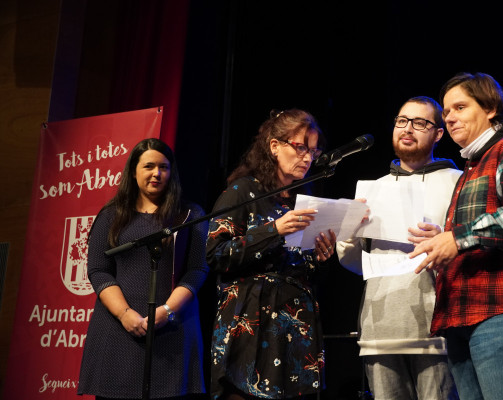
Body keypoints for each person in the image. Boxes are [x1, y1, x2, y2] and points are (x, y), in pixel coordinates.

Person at [409, 72, 503, 400]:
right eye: (447, 112)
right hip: (464, 317)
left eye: (460, 107)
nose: (450, 117)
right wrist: (444, 239)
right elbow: (484, 232)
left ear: (490, 107)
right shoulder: (472, 167)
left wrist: (459, 238)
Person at [206, 109, 337, 400]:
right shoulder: (242, 192)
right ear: (274, 145)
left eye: (313, 151)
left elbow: (306, 274)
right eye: (301, 147)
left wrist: (321, 257)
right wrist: (273, 231)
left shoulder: (304, 200)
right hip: (250, 324)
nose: (308, 158)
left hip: (295, 327)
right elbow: (216, 255)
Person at [336, 96, 461, 400]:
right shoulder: (374, 188)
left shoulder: (458, 182)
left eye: (420, 123)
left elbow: (472, 250)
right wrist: (348, 234)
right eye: (402, 121)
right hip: (380, 329)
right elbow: (354, 262)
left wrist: (444, 239)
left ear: (438, 134)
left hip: (436, 331)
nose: (408, 129)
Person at [78, 138, 209, 399]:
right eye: (149, 166)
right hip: (117, 329)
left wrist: (168, 311)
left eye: (164, 167)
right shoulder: (111, 215)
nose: (157, 173)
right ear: (134, 170)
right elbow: (98, 270)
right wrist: (125, 314)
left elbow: (197, 269)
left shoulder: (190, 215)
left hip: (173, 328)